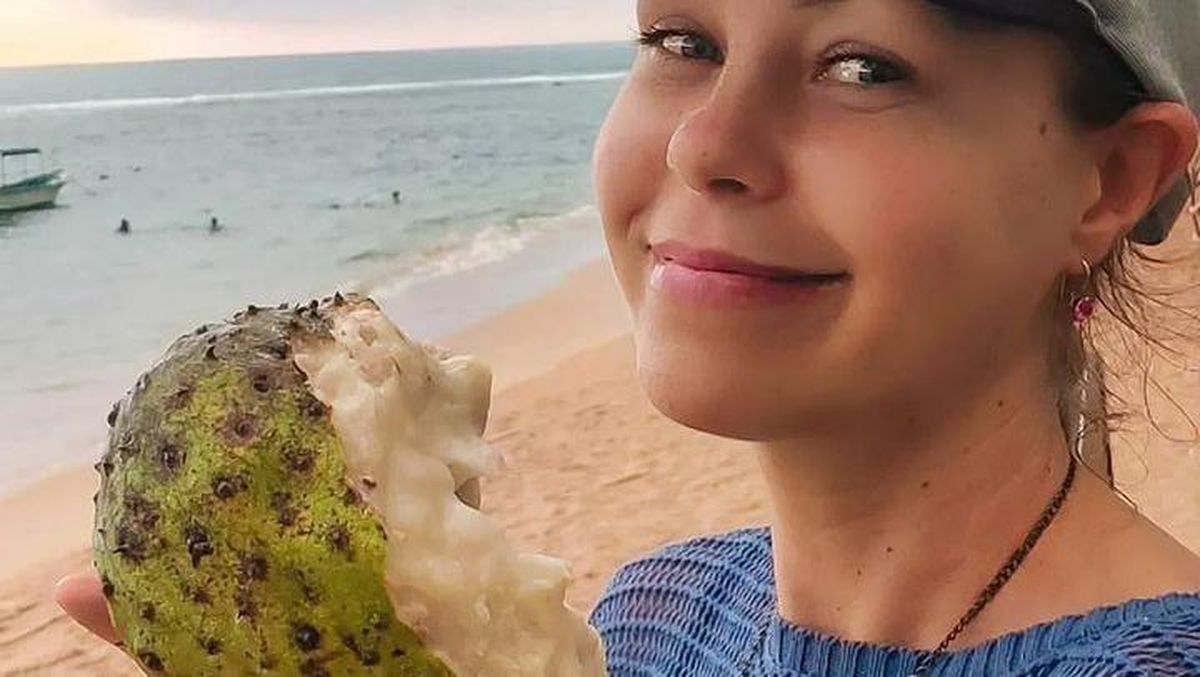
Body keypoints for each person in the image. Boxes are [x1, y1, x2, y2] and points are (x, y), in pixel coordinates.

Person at [57, 1, 1200, 675]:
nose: (705, 143)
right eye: (682, 39)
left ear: (1108, 179)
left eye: (864, 67)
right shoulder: (655, 614)